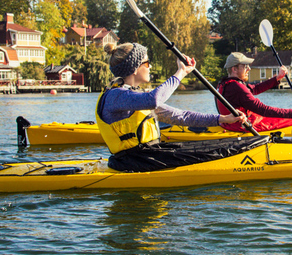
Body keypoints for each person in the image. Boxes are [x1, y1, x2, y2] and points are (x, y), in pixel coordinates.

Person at [96, 43, 252, 172]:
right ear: (135, 68)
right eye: (147, 63)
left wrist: (223, 119)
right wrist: (181, 72)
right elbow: (155, 99)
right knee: (209, 153)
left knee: (208, 146)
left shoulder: (136, 96)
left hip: (149, 154)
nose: (150, 67)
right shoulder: (115, 96)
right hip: (132, 162)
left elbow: (181, 116)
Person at [215, 52, 292, 132]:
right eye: (245, 66)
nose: (249, 68)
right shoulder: (237, 87)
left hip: (229, 125)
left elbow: (255, 89)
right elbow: (262, 109)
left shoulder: (224, 84)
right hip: (242, 127)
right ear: (234, 69)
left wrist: (277, 78)